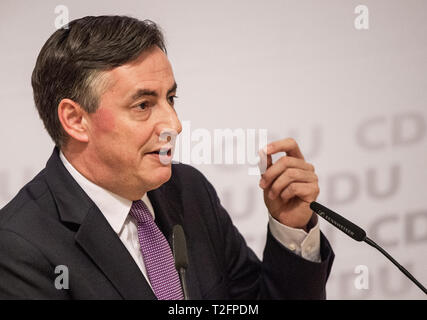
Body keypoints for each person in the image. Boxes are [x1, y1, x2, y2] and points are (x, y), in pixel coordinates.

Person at [0, 15, 334, 299]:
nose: (174, 125)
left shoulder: (189, 191)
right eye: (143, 105)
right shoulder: (18, 248)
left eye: (170, 99)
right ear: (75, 120)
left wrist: (291, 228)